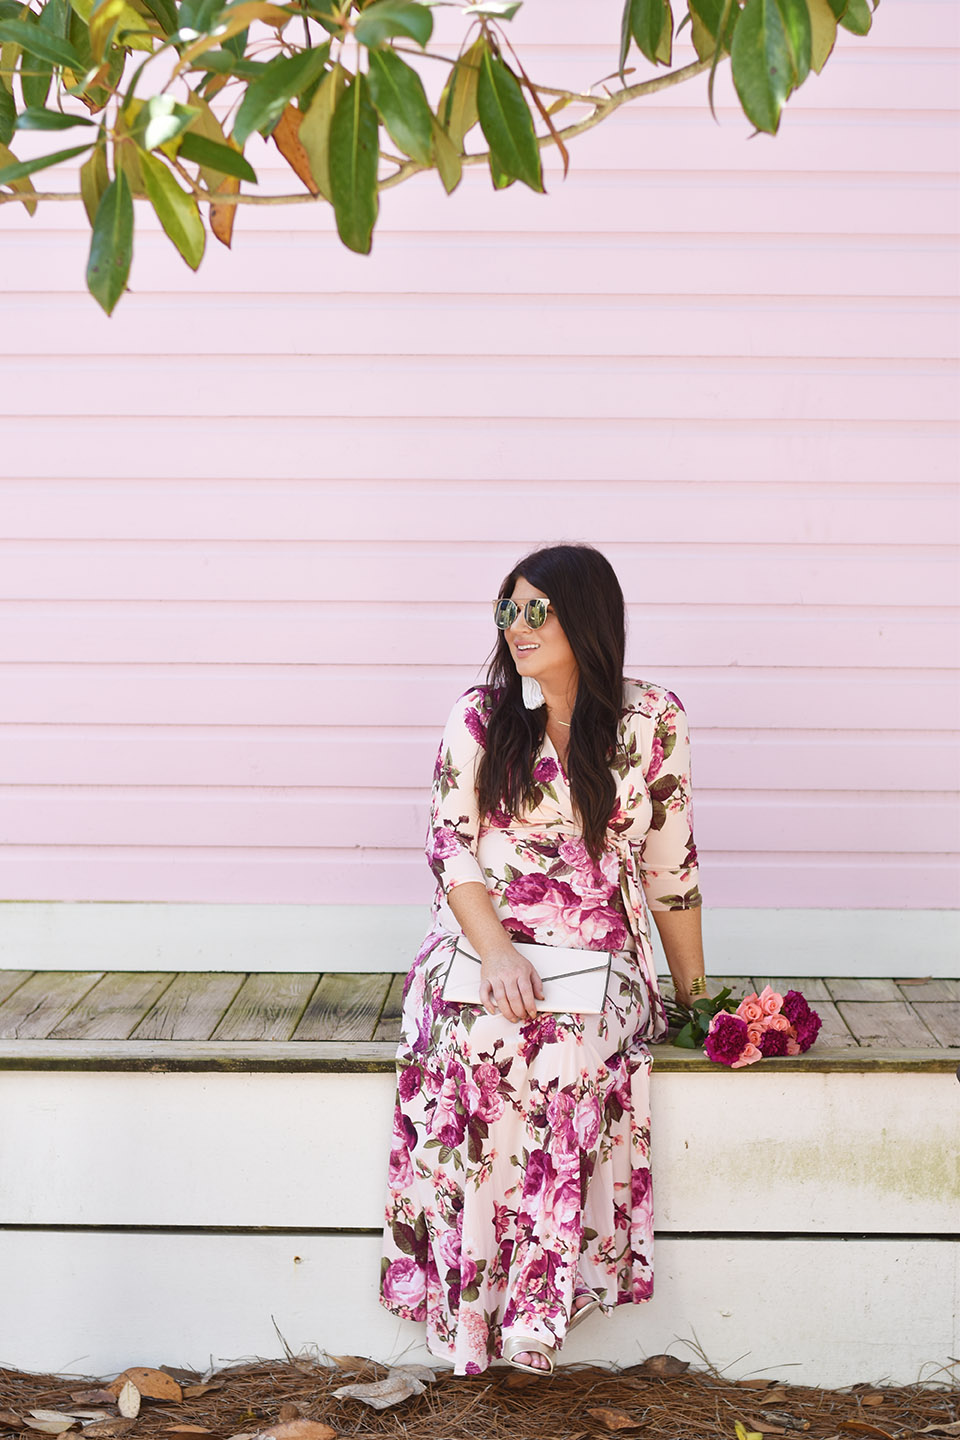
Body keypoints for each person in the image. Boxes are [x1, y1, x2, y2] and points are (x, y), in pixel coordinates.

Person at [379, 544, 705, 1377]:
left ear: (586, 621)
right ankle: (472, 1308)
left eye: (538, 611)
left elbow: (672, 876)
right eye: (507, 610)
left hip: (602, 956)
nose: (517, 627)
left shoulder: (651, 721)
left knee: (563, 1049)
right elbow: (449, 848)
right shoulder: (482, 718)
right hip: (479, 947)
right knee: (481, 1042)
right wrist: (496, 954)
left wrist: (697, 1003)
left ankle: (535, 1302)